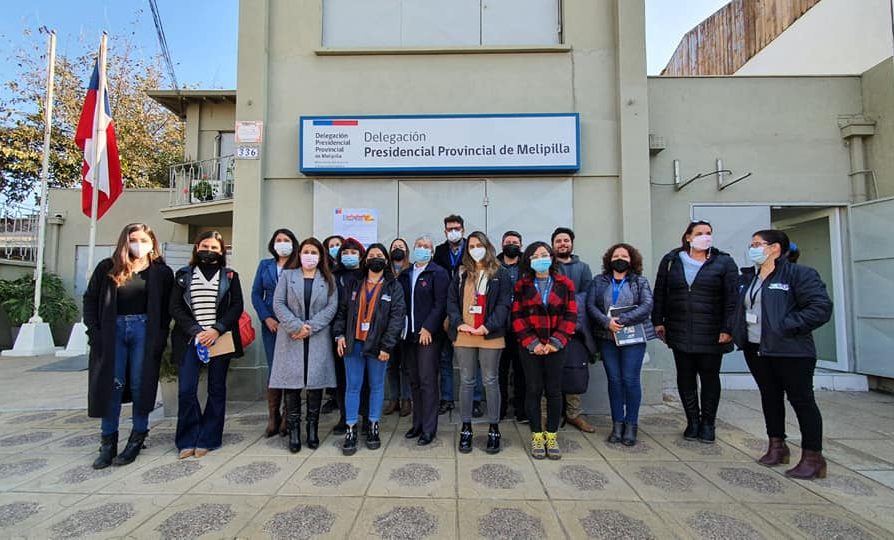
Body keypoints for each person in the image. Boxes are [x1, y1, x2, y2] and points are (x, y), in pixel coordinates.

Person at [733, 230, 832, 479]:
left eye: (758, 244)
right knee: (770, 396)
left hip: (791, 351)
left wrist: (785, 325)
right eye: (752, 243)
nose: (753, 248)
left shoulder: (799, 274)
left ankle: (813, 457)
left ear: (775, 248)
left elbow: (820, 308)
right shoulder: (751, 277)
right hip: (757, 348)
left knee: (802, 400)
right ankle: (777, 445)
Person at [84, 223, 173, 469]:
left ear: (152, 242)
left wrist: (161, 336)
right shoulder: (108, 268)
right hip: (113, 331)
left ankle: (137, 436)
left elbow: (167, 308)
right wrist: (94, 332)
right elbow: (90, 300)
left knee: (139, 383)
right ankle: (108, 442)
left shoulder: (161, 272)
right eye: (134, 239)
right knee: (112, 384)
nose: (139, 244)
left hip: (144, 330)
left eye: (144, 240)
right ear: (125, 241)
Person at [652, 220, 739, 444]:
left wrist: (728, 328)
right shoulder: (672, 260)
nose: (705, 236)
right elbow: (660, 292)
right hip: (680, 328)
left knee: (710, 378)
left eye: (708, 233)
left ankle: (708, 423)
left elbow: (732, 299)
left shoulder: (724, 262)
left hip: (711, 331)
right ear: (688, 237)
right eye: (699, 233)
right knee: (686, 377)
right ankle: (692, 421)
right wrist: (658, 321)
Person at [170, 231, 244, 459]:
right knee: (186, 390)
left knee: (216, 389)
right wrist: (196, 330)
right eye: (205, 246)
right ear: (196, 247)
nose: (209, 251)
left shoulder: (229, 276)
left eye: (214, 248)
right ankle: (187, 439)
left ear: (222, 252)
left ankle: (209, 438)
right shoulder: (183, 275)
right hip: (190, 339)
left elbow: (237, 306)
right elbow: (175, 307)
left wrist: (217, 329)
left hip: (218, 338)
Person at [333, 244, 406, 455]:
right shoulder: (354, 284)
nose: (376, 259)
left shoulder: (393, 286)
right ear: (365, 260)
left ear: (386, 260)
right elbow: (341, 312)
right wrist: (339, 336)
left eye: (380, 256)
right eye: (372, 255)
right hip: (353, 343)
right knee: (352, 386)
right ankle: (351, 428)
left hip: (378, 347)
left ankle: (373, 426)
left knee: (376, 386)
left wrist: (387, 346)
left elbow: (396, 318)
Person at [270, 237, 339, 453]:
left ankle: (312, 429)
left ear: (321, 256)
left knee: (315, 385)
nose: (310, 256)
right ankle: (293, 431)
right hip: (292, 336)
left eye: (314, 252)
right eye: (306, 252)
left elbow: (331, 307)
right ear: (299, 254)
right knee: (292, 386)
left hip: (317, 337)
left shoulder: (328, 279)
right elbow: (278, 303)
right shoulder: (288, 276)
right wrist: (296, 326)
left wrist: (310, 326)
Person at [446, 231, 512, 454]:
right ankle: (466, 427)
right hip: (464, 333)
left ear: (487, 246)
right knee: (466, 381)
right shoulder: (463, 272)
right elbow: (451, 302)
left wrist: (488, 325)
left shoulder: (500, 273)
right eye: (471, 245)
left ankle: (494, 427)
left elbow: (504, 305)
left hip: (489, 334)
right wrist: (458, 323)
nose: (475, 249)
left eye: (479, 244)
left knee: (490, 380)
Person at [512, 242, 577, 460]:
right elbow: (518, 317)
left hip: (556, 346)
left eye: (544, 254)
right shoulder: (522, 285)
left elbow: (571, 315)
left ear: (551, 258)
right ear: (529, 261)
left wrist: (556, 342)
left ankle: (552, 434)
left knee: (554, 390)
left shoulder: (565, 284)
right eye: (536, 255)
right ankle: (537, 435)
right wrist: (533, 343)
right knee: (533, 389)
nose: (541, 258)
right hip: (531, 347)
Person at [587, 243, 656, 446]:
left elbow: (647, 305)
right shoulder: (599, 281)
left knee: (630, 379)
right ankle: (617, 423)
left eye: (624, 256)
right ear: (609, 259)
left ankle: (631, 424)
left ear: (631, 260)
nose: (620, 258)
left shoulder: (639, 281)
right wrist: (607, 322)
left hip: (632, 337)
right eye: (616, 255)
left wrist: (622, 320)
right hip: (607, 337)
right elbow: (591, 305)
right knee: (614, 380)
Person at [398, 234, 449, 446]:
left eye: (427, 246)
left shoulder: (438, 273)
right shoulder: (406, 273)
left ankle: (429, 428)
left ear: (432, 251)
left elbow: (440, 304)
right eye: (419, 245)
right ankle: (417, 423)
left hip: (429, 336)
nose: (422, 249)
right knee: (414, 380)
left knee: (428, 380)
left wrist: (428, 327)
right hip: (408, 335)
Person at [252, 228, 299, 438]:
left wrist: (293, 323)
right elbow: (256, 294)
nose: (282, 243)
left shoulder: (298, 264)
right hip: (271, 326)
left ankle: (289, 415)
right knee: (274, 369)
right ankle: (273, 416)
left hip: (293, 325)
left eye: (286, 240)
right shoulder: (265, 265)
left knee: (291, 368)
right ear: (273, 244)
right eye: (279, 240)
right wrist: (267, 317)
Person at [551, 227, 596, 433]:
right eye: (558, 241)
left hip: (576, 330)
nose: (562, 244)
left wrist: (573, 324)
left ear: (572, 244)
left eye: (566, 240)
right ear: (553, 245)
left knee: (575, 372)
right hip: (550, 329)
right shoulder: (548, 266)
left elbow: (586, 298)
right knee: (549, 372)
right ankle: (549, 413)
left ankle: (573, 413)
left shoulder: (583, 268)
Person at [329, 237, 366, 434]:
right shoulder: (333, 277)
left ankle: (367, 416)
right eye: (345, 253)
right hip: (338, 333)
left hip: (362, 334)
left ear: (361, 256)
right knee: (342, 377)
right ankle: (345, 416)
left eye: (353, 253)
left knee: (364, 378)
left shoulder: (366, 276)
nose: (349, 256)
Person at [433, 214, 467, 415]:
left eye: (456, 228)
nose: (453, 232)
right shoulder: (439, 251)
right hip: (445, 312)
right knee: (445, 358)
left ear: (462, 229)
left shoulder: (472, 249)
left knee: (472, 360)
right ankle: (446, 399)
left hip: (469, 313)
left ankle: (476, 399)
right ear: (445, 231)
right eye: (449, 229)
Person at [497, 231, 526, 422]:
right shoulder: (494, 266)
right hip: (499, 326)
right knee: (499, 370)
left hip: (523, 327)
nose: (511, 245)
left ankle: (521, 409)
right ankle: (499, 408)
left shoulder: (528, 265)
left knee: (521, 370)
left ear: (521, 245)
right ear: (502, 245)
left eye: (515, 242)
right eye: (508, 242)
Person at [383, 238, 412, 417]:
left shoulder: (411, 271)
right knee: (390, 365)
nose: (397, 249)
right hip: (386, 326)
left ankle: (406, 399)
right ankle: (393, 399)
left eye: (401, 246)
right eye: (394, 247)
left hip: (407, 324)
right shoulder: (385, 271)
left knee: (406, 365)